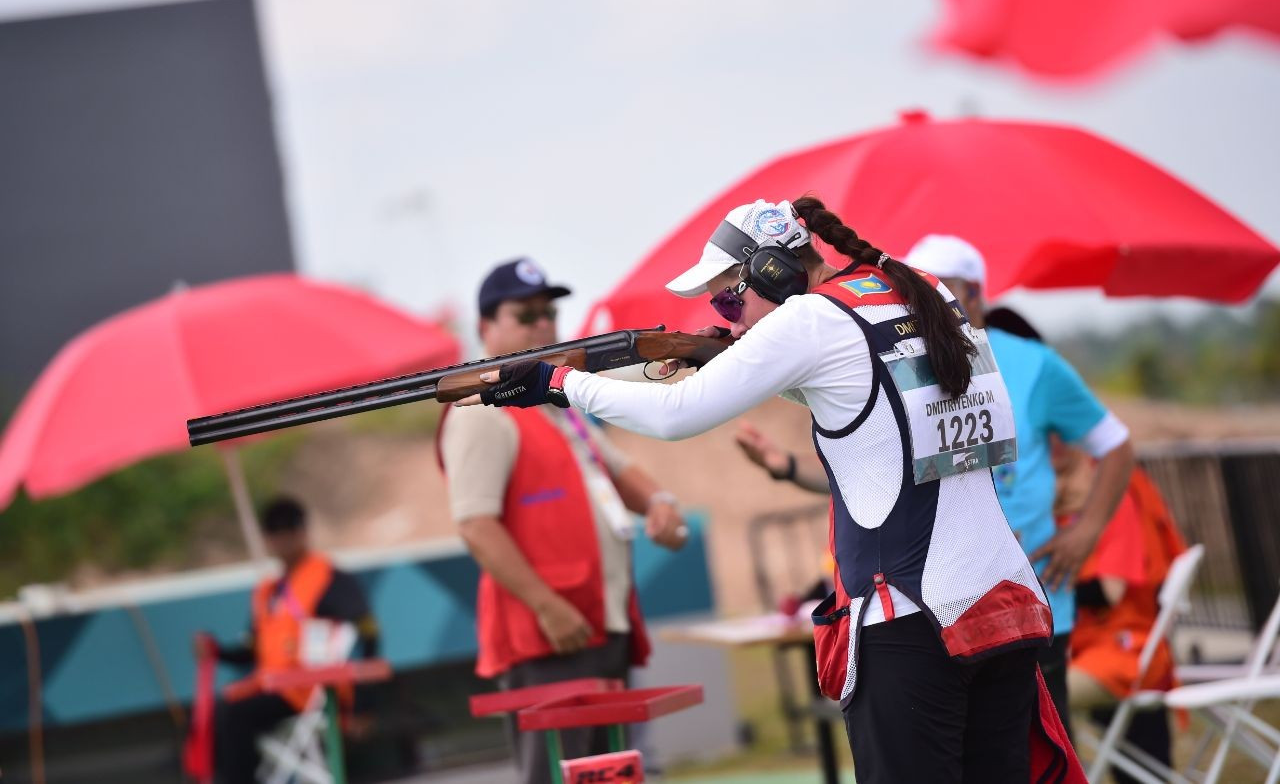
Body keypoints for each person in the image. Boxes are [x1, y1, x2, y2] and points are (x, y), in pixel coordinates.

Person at [461, 200, 1083, 783]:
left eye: (729, 302)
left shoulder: (812, 318)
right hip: (1003, 602)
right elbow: (862, 393)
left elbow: (675, 415)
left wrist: (557, 383)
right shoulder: (914, 290)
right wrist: (721, 357)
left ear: (772, 273)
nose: (730, 319)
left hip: (910, 619)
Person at [436, 258, 689, 784]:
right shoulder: (479, 410)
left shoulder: (555, 398)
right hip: (551, 635)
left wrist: (660, 501)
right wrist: (548, 608)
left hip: (597, 624)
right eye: (525, 315)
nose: (542, 324)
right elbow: (476, 525)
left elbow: (615, 469)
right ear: (485, 327)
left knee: (609, 771)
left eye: (548, 313)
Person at [903, 236, 1136, 731]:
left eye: (941, 289)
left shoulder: (1033, 364)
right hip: (942, 603)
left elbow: (1115, 444)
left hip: (1031, 600)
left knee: (1043, 751)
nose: (926, 303)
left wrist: (1087, 530)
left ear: (975, 294)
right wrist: (790, 470)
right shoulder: (904, 368)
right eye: (915, 292)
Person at [197, 496, 380, 784]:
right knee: (214, 713)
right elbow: (252, 650)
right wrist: (215, 651)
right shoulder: (269, 591)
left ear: (303, 532)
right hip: (273, 686)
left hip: (313, 693)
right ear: (267, 540)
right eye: (275, 534)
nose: (283, 541)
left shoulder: (331, 579)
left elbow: (368, 635)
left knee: (234, 714)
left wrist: (363, 705)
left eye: (289, 532)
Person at [1053, 436, 1187, 783]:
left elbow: (1108, 591)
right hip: (1086, 649)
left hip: (1123, 651)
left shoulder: (1113, 498)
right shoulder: (1058, 509)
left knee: (1038, 696)